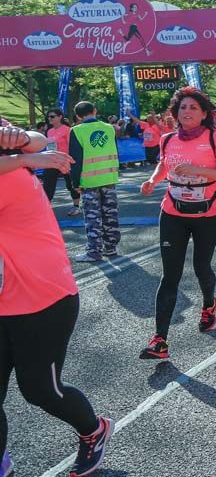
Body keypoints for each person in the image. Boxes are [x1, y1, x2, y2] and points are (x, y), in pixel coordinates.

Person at [0, 125, 116, 477]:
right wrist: (31, 151)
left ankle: (94, 430)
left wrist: (28, 149)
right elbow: (35, 140)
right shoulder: (15, 165)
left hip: (42, 300)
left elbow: (33, 140)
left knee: (41, 390)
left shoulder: (10, 179)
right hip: (6, 299)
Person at [138, 87, 216, 360]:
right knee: (170, 275)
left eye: (193, 107)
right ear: (176, 113)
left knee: (201, 266)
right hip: (173, 212)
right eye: (183, 108)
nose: (187, 112)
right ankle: (160, 340)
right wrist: (152, 181)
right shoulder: (168, 139)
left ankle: (208, 305)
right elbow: (164, 165)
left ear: (204, 113)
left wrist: (197, 170)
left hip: (208, 214)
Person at [69, 101, 121, 263]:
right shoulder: (109, 128)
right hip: (110, 178)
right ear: (95, 111)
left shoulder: (76, 131)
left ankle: (94, 251)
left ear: (77, 116)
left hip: (89, 180)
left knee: (93, 217)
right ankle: (111, 247)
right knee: (110, 214)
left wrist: (75, 183)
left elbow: (75, 160)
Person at [41, 108, 81, 216]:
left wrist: (72, 161)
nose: (50, 119)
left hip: (65, 160)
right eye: (48, 117)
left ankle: (76, 206)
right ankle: (46, 208)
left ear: (60, 117)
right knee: (48, 184)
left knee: (71, 184)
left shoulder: (67, 129)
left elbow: (72, 146)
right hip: (52, 160)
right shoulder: (49, 131)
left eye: (52, 116)